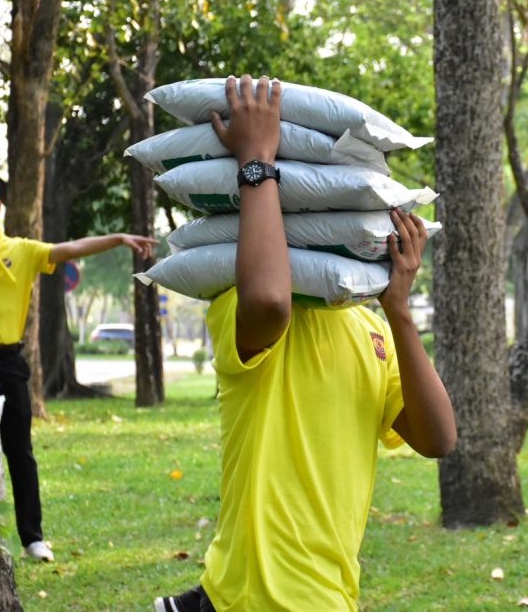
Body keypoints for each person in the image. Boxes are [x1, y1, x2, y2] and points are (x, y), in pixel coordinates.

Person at [154, 75, 456, 612]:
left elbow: (437, 439)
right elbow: (271, 299)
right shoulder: (235, 304)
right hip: (255, 596)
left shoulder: (371, 330)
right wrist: (257, 161)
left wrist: (400, 311)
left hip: (332, 595)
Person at [0, 174, 157, 563]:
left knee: (19, 452)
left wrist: (119, 239)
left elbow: (71, 248)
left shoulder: (21, 251)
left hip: (7, 363)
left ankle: (32, 538)